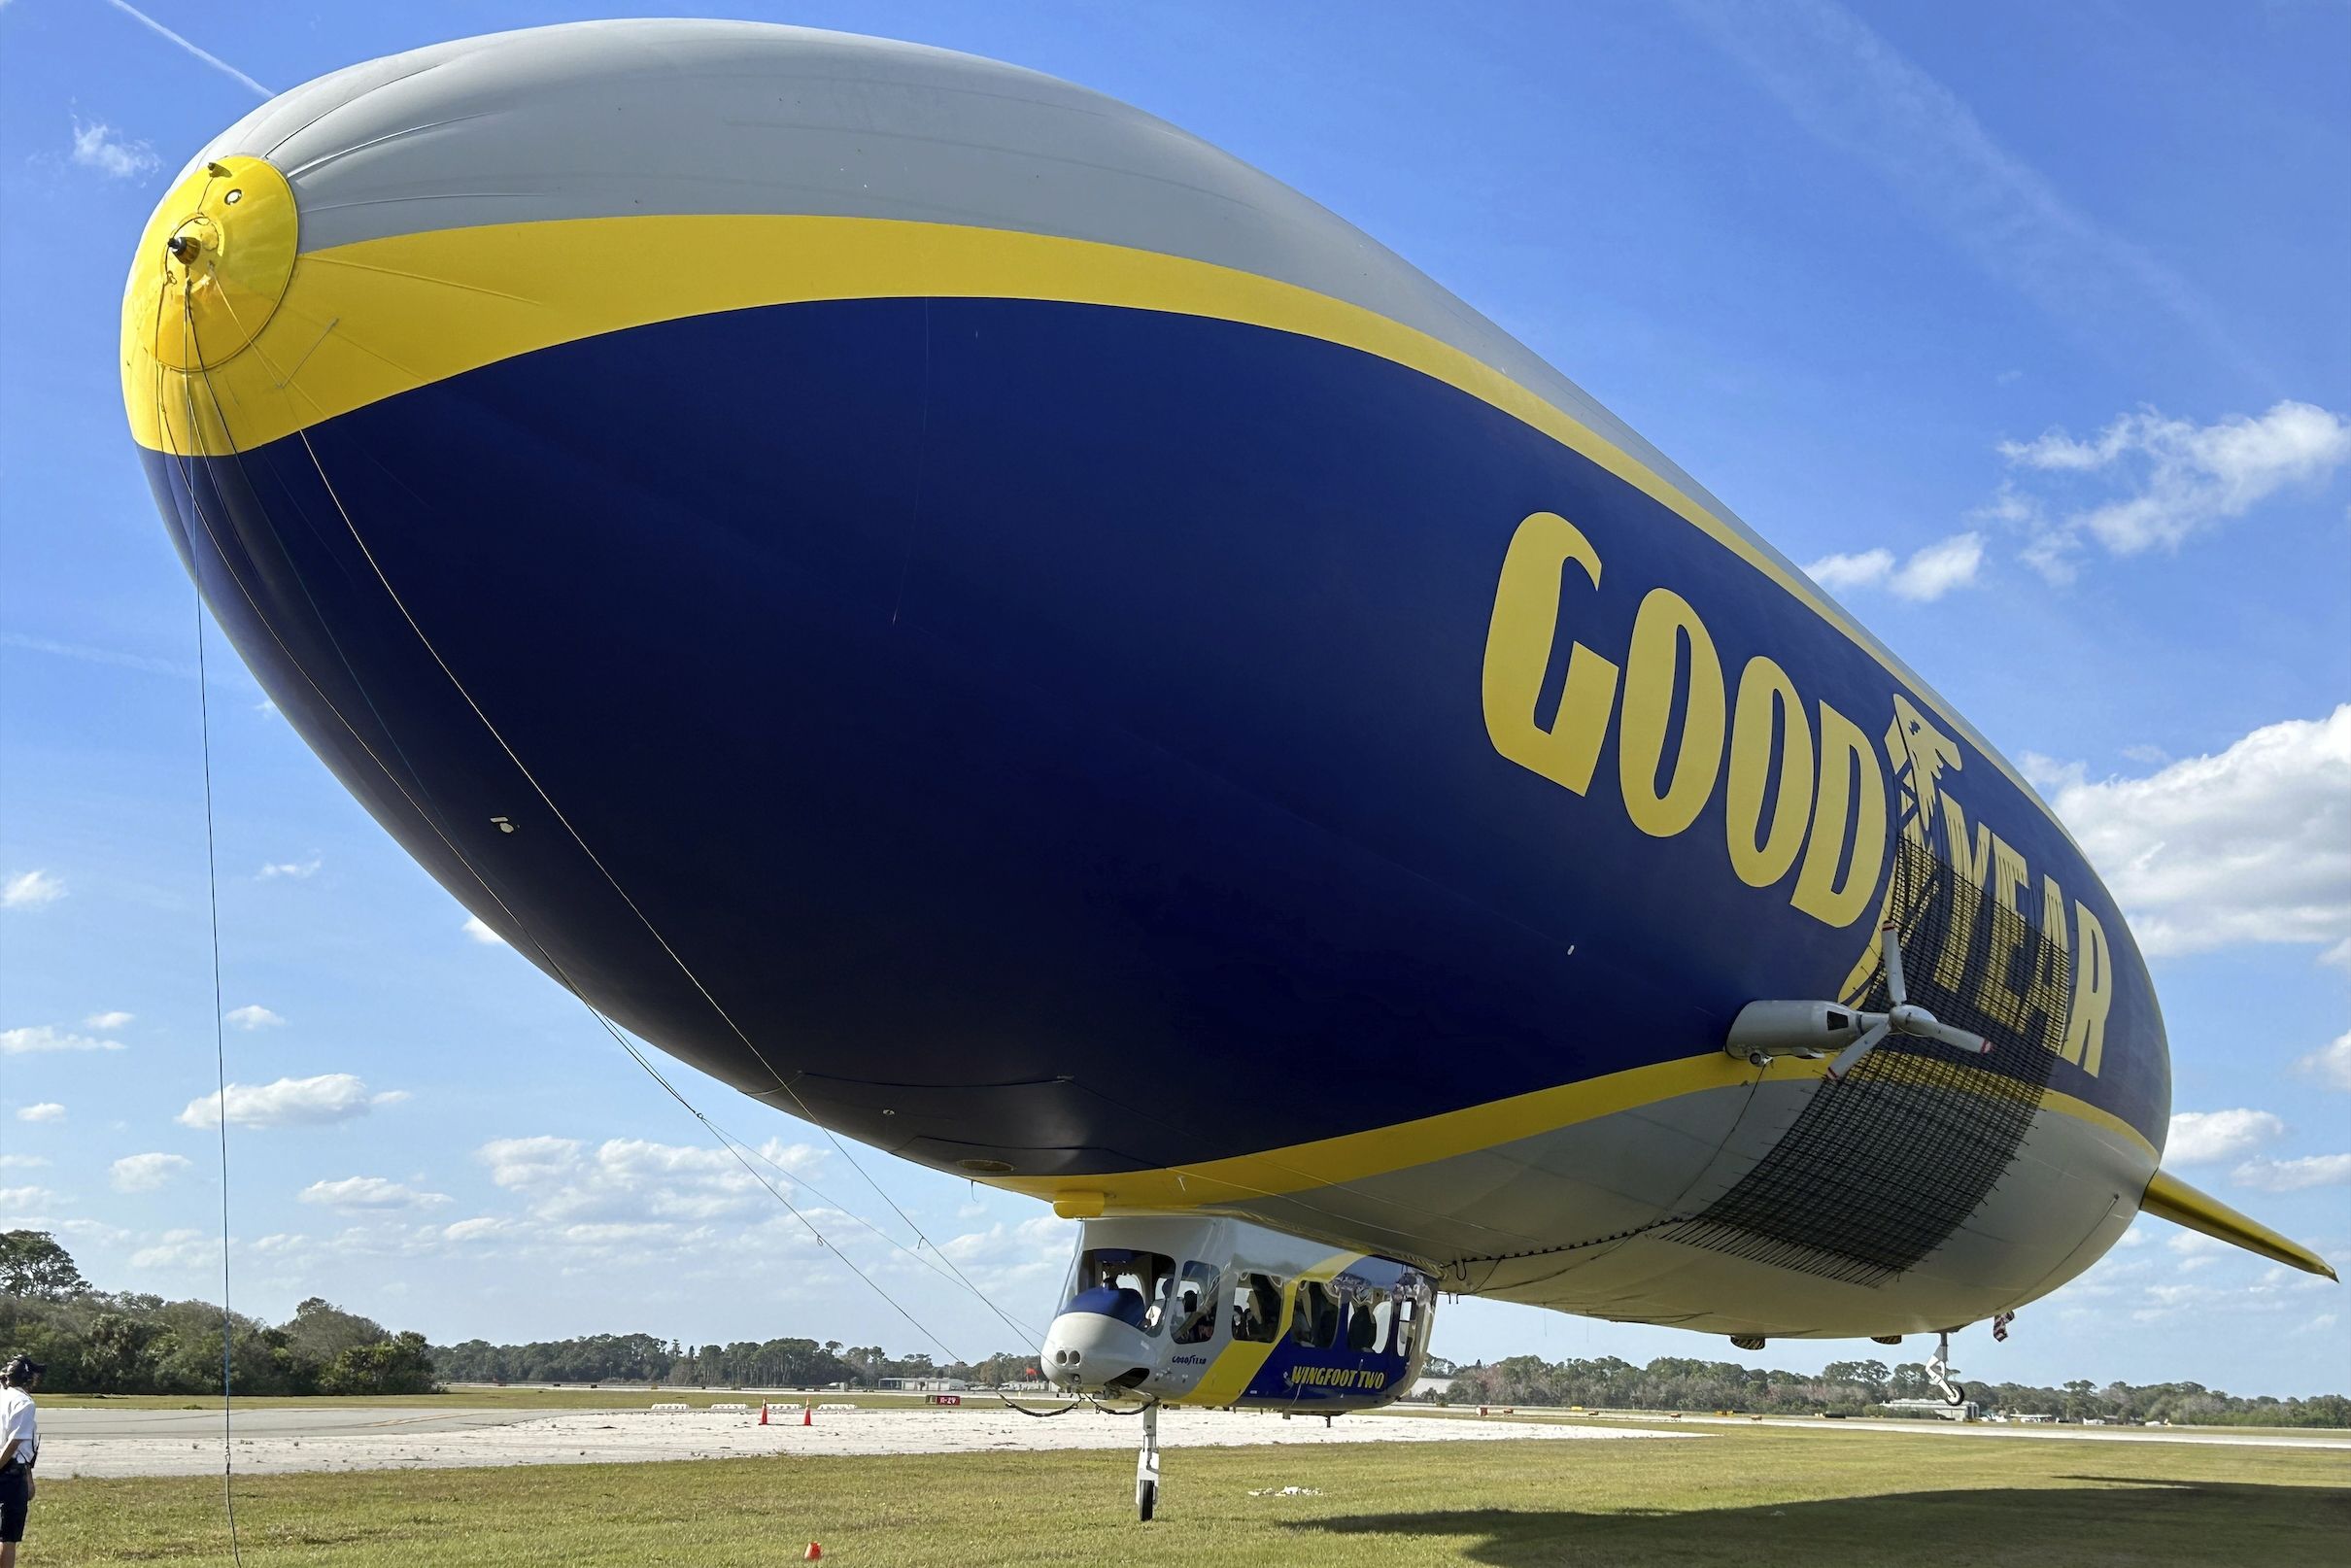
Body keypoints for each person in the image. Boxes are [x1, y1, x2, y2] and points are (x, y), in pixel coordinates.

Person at [0, 1354, 40, 1568]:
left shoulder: (3, 1395)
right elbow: (15, 1443)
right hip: (9, 1473)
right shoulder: (24, 1403)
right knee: (8, 1537)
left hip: (12, 1469)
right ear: (28, 1378)